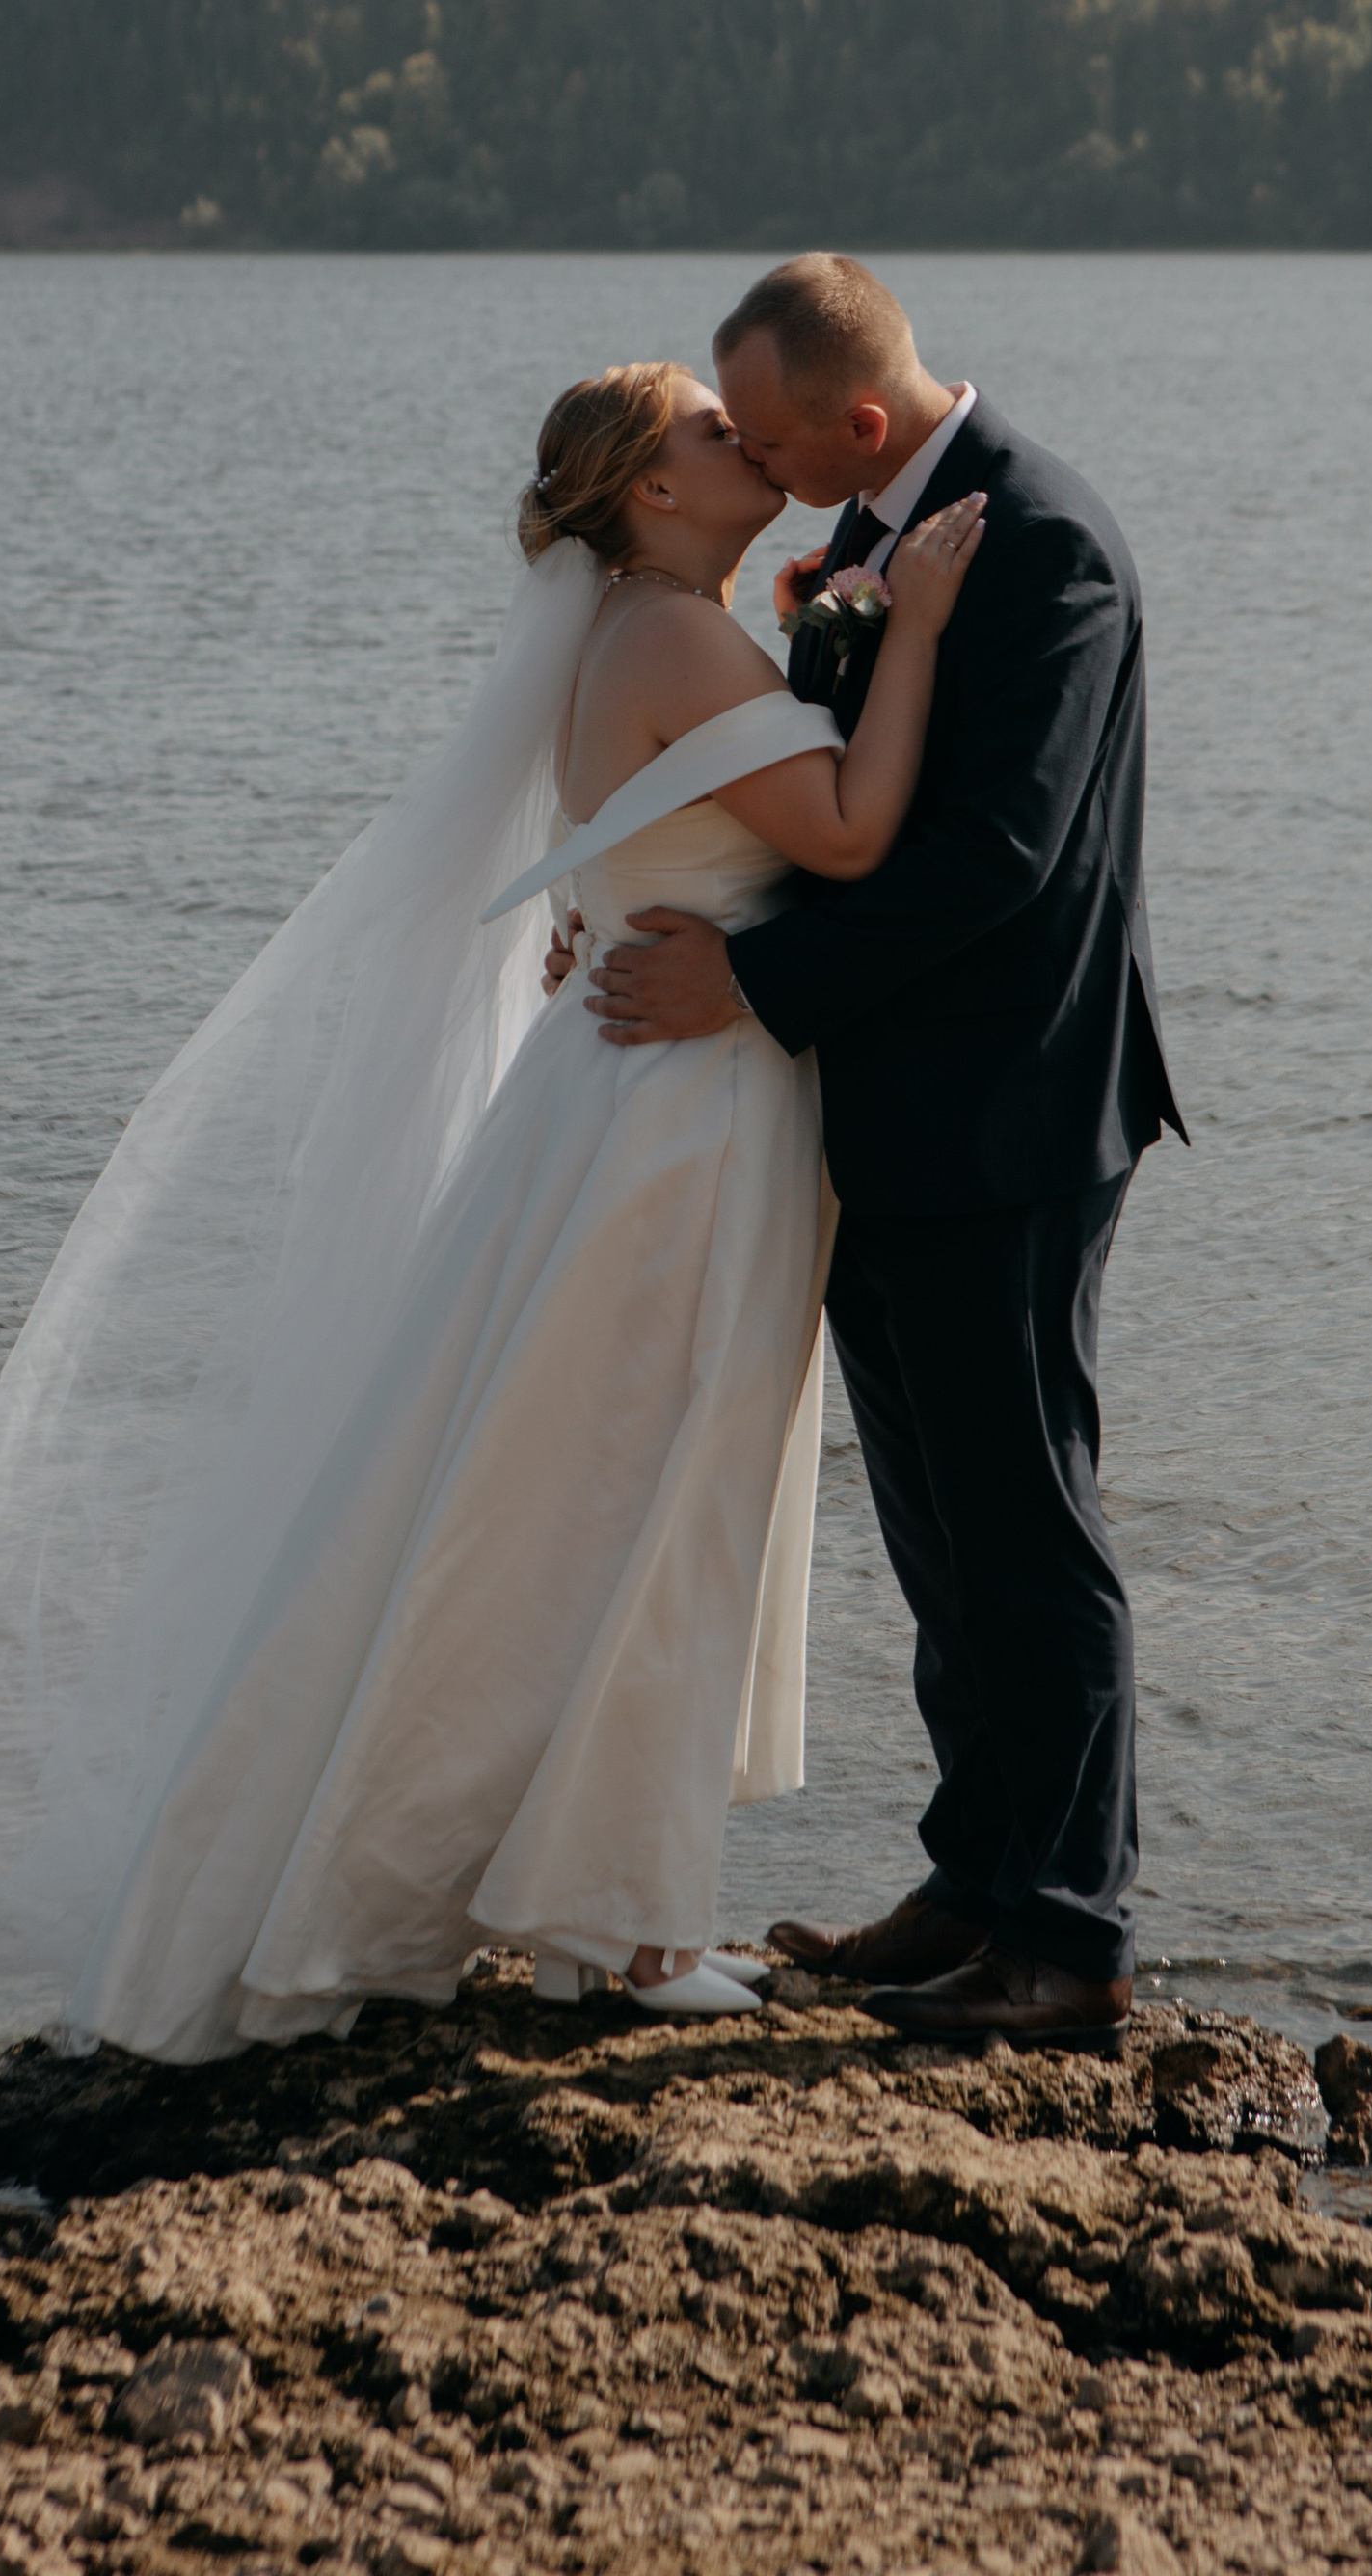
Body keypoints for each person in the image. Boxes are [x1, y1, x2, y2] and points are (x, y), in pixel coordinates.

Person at [0, 360, 982, 2053]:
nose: (742, 443)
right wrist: (907, 629)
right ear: (648, 491)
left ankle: (583, 1911)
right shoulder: (675, 634)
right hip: (682, 1117)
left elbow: (637, 847)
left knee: (581, 1489)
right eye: (709, 430)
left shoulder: (633, 631)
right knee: (652, 1491)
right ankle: (624, 1930)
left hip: (635, 1095)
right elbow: (841, 834)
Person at [569, 255, 1185, 2050]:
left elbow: (992, 854)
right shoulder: (877, 540)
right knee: (935, 1525)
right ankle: (976, 1877)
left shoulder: (1046, 542)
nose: (748, 456)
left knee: (1028, 1524)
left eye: (763, 431)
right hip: (882, 1111)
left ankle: (1069, 1937)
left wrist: (744, 980)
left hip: (1011, 1115)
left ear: (857, 419)